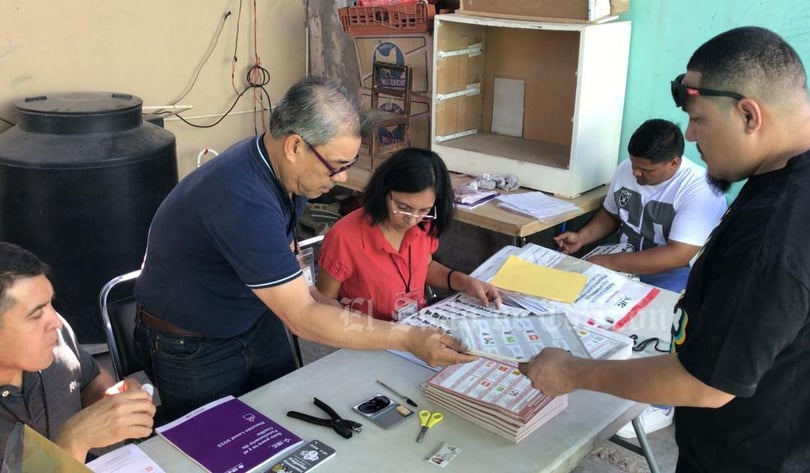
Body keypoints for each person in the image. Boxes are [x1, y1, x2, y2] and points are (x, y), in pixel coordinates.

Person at [520, 26, 810, 472]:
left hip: (753, 456)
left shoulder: (777, 237)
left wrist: (571, 372)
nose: (690, 136)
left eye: (700, 119)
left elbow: (706, 384)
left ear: (750, 115)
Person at [134, 77, 476, 422]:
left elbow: (285, 264)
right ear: (295, 146)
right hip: (193, 343)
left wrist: (315, 297)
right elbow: (302, 320)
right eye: (337, 165)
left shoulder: (285, 174)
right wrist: (410, 338)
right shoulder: (241, 197)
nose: (341, 177)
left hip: (256, 318)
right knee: (219, 445)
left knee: (284, 419)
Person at [0, 242, 155, 464]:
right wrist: (74, 441)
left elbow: (89, 378)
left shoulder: (56, 336)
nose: (55, 321)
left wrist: (109, 404)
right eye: (36, 315)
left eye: (50, 304)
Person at [316, 147, 501, 321]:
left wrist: (464, 282)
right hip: (368, 339)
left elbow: (424, 267)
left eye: (424, 210)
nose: (412, 220)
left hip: (416, 328)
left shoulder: (425, 225)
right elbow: (325, 305)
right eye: (403, 208)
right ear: (384, 191)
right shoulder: (344, 237)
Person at [554, 119, 727, 293]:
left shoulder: (701, 188)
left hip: (674, 271)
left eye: (645, 169)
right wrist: (582, 237)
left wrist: (608, 262)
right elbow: (611, 215)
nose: (635, 172)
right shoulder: (625, 169)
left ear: (674, 163)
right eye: (633, 164)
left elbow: (678, 255)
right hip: (624, 257)